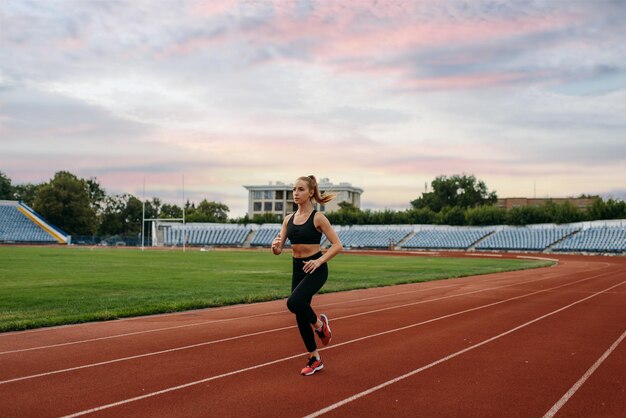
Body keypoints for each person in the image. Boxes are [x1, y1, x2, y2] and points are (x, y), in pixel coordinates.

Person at [271, 175, 343, 376]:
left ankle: (321, 327)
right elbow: (279, 249)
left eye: (301, 189)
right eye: (294, 189)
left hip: (316, 268)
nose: (296, 192)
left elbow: (338, 246)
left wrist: (319, 261)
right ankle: (315, 358)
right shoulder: (288, 219)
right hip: (297, 267)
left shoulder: (318, 218)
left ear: (311, 192)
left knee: (293, 303)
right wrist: (274, 248)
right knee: (300, 314)